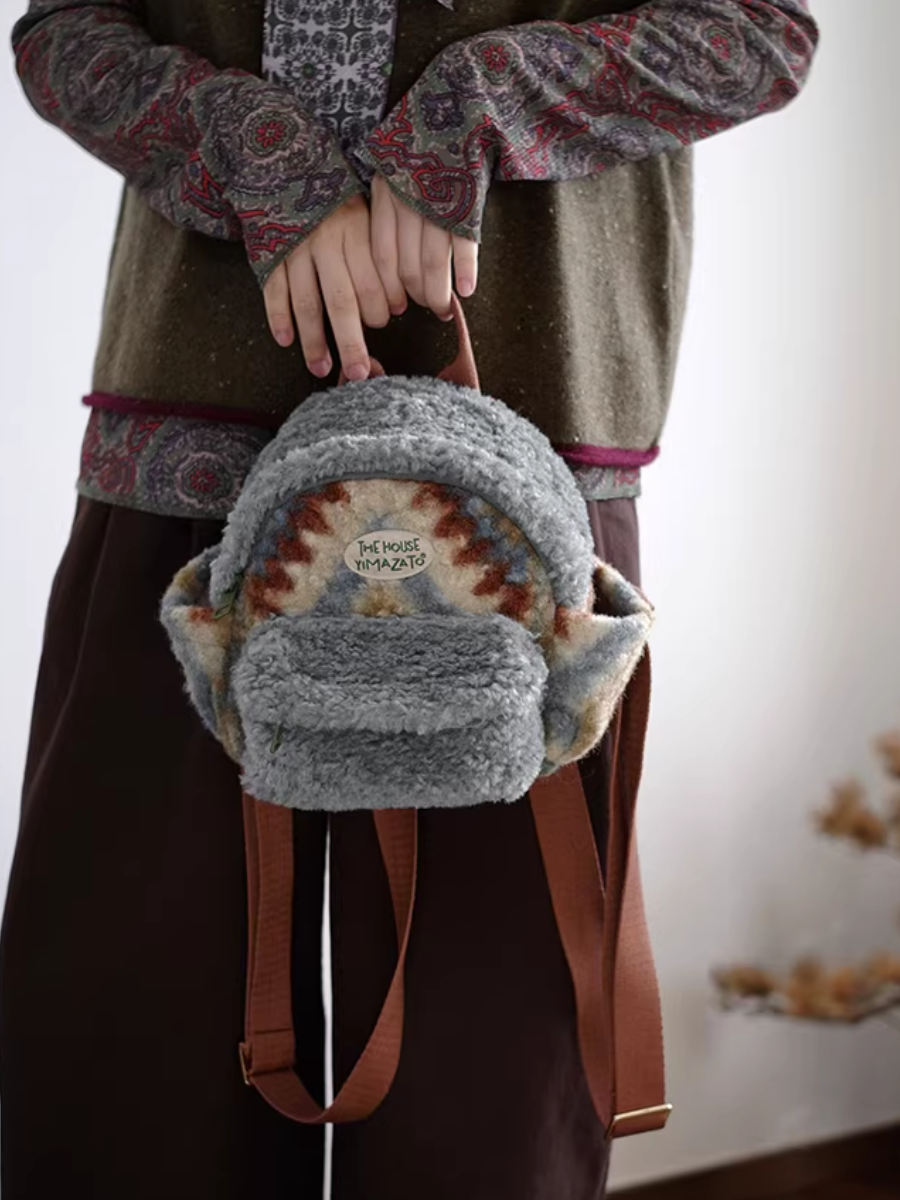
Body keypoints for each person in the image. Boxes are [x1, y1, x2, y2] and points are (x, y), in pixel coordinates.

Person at [0, 2, 818, 1196]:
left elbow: (760, 32)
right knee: (131, 1059)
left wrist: (477, 105)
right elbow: (62, 31)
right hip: (188, 458)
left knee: (488, 1089)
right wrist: (253, 148)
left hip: (512, 492)